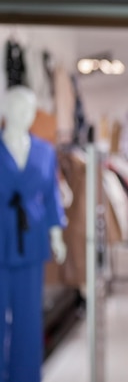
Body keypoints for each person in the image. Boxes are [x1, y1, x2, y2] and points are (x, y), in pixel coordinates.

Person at [0, 85, 67, 382]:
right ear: (6, 111)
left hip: (31, 239)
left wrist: (56, 234)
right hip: (2, 236)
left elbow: (52, 194)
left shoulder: (44, 150)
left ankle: (25, 375)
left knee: (28, 316)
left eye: (29, 109)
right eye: (18, 107)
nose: (24, 114)